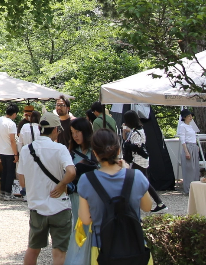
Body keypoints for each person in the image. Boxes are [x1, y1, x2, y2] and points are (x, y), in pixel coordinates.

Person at [76, 129, 153, 264]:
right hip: (136, 248)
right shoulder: (136, 176)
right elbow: (147, 207)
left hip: (102, 250)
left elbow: (85, 219)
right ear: (118, 151)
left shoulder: (86, 180)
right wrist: (127, 171)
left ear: (95, 153)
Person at [17, 112, 76, 265]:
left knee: (33, 249)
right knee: (59, 252)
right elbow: (71, 172)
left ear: (40, 128)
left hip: (37, 207)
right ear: (56, 129)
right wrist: (61, 185)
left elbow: (22, 181)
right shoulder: (60, 149)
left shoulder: (26, 150)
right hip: (59, 206)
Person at [122, 111, 167, 212]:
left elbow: (136, 146)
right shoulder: (138, 130)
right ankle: (159, 203)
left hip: (139, 160)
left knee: (133, 181)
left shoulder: (136, 132)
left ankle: (133, 205)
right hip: (141, 159)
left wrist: (127, 145)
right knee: (144, 182)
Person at [65, 117, 95, 265]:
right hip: (76, 194)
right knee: (78, 226)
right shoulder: (71, 152)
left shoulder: (95, 150)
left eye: (78, 131)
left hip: (94, 195)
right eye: (72, 132)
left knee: (92, 227)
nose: (75, 135)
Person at [0, 103, 19, 201]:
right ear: (14, 114)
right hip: (9, 151)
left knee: (4, 171)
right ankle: (8, 193)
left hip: (1, 150)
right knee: (10, 172)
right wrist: (16, 154)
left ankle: (2, 192)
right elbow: (12, 140)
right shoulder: (11, 124)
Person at [176, 109, 199, 194]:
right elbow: (183, 139)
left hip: (193, 146)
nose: (190, 117)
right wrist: (186, 151)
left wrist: (196, 146)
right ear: (184, 117)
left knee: (195, 168)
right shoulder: (182, 126)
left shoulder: (190, 126)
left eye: (191, 116)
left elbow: (193, 137)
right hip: (188, 146)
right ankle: (188, 189)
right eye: (189, 116)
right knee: (189, 169)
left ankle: (195, 187)